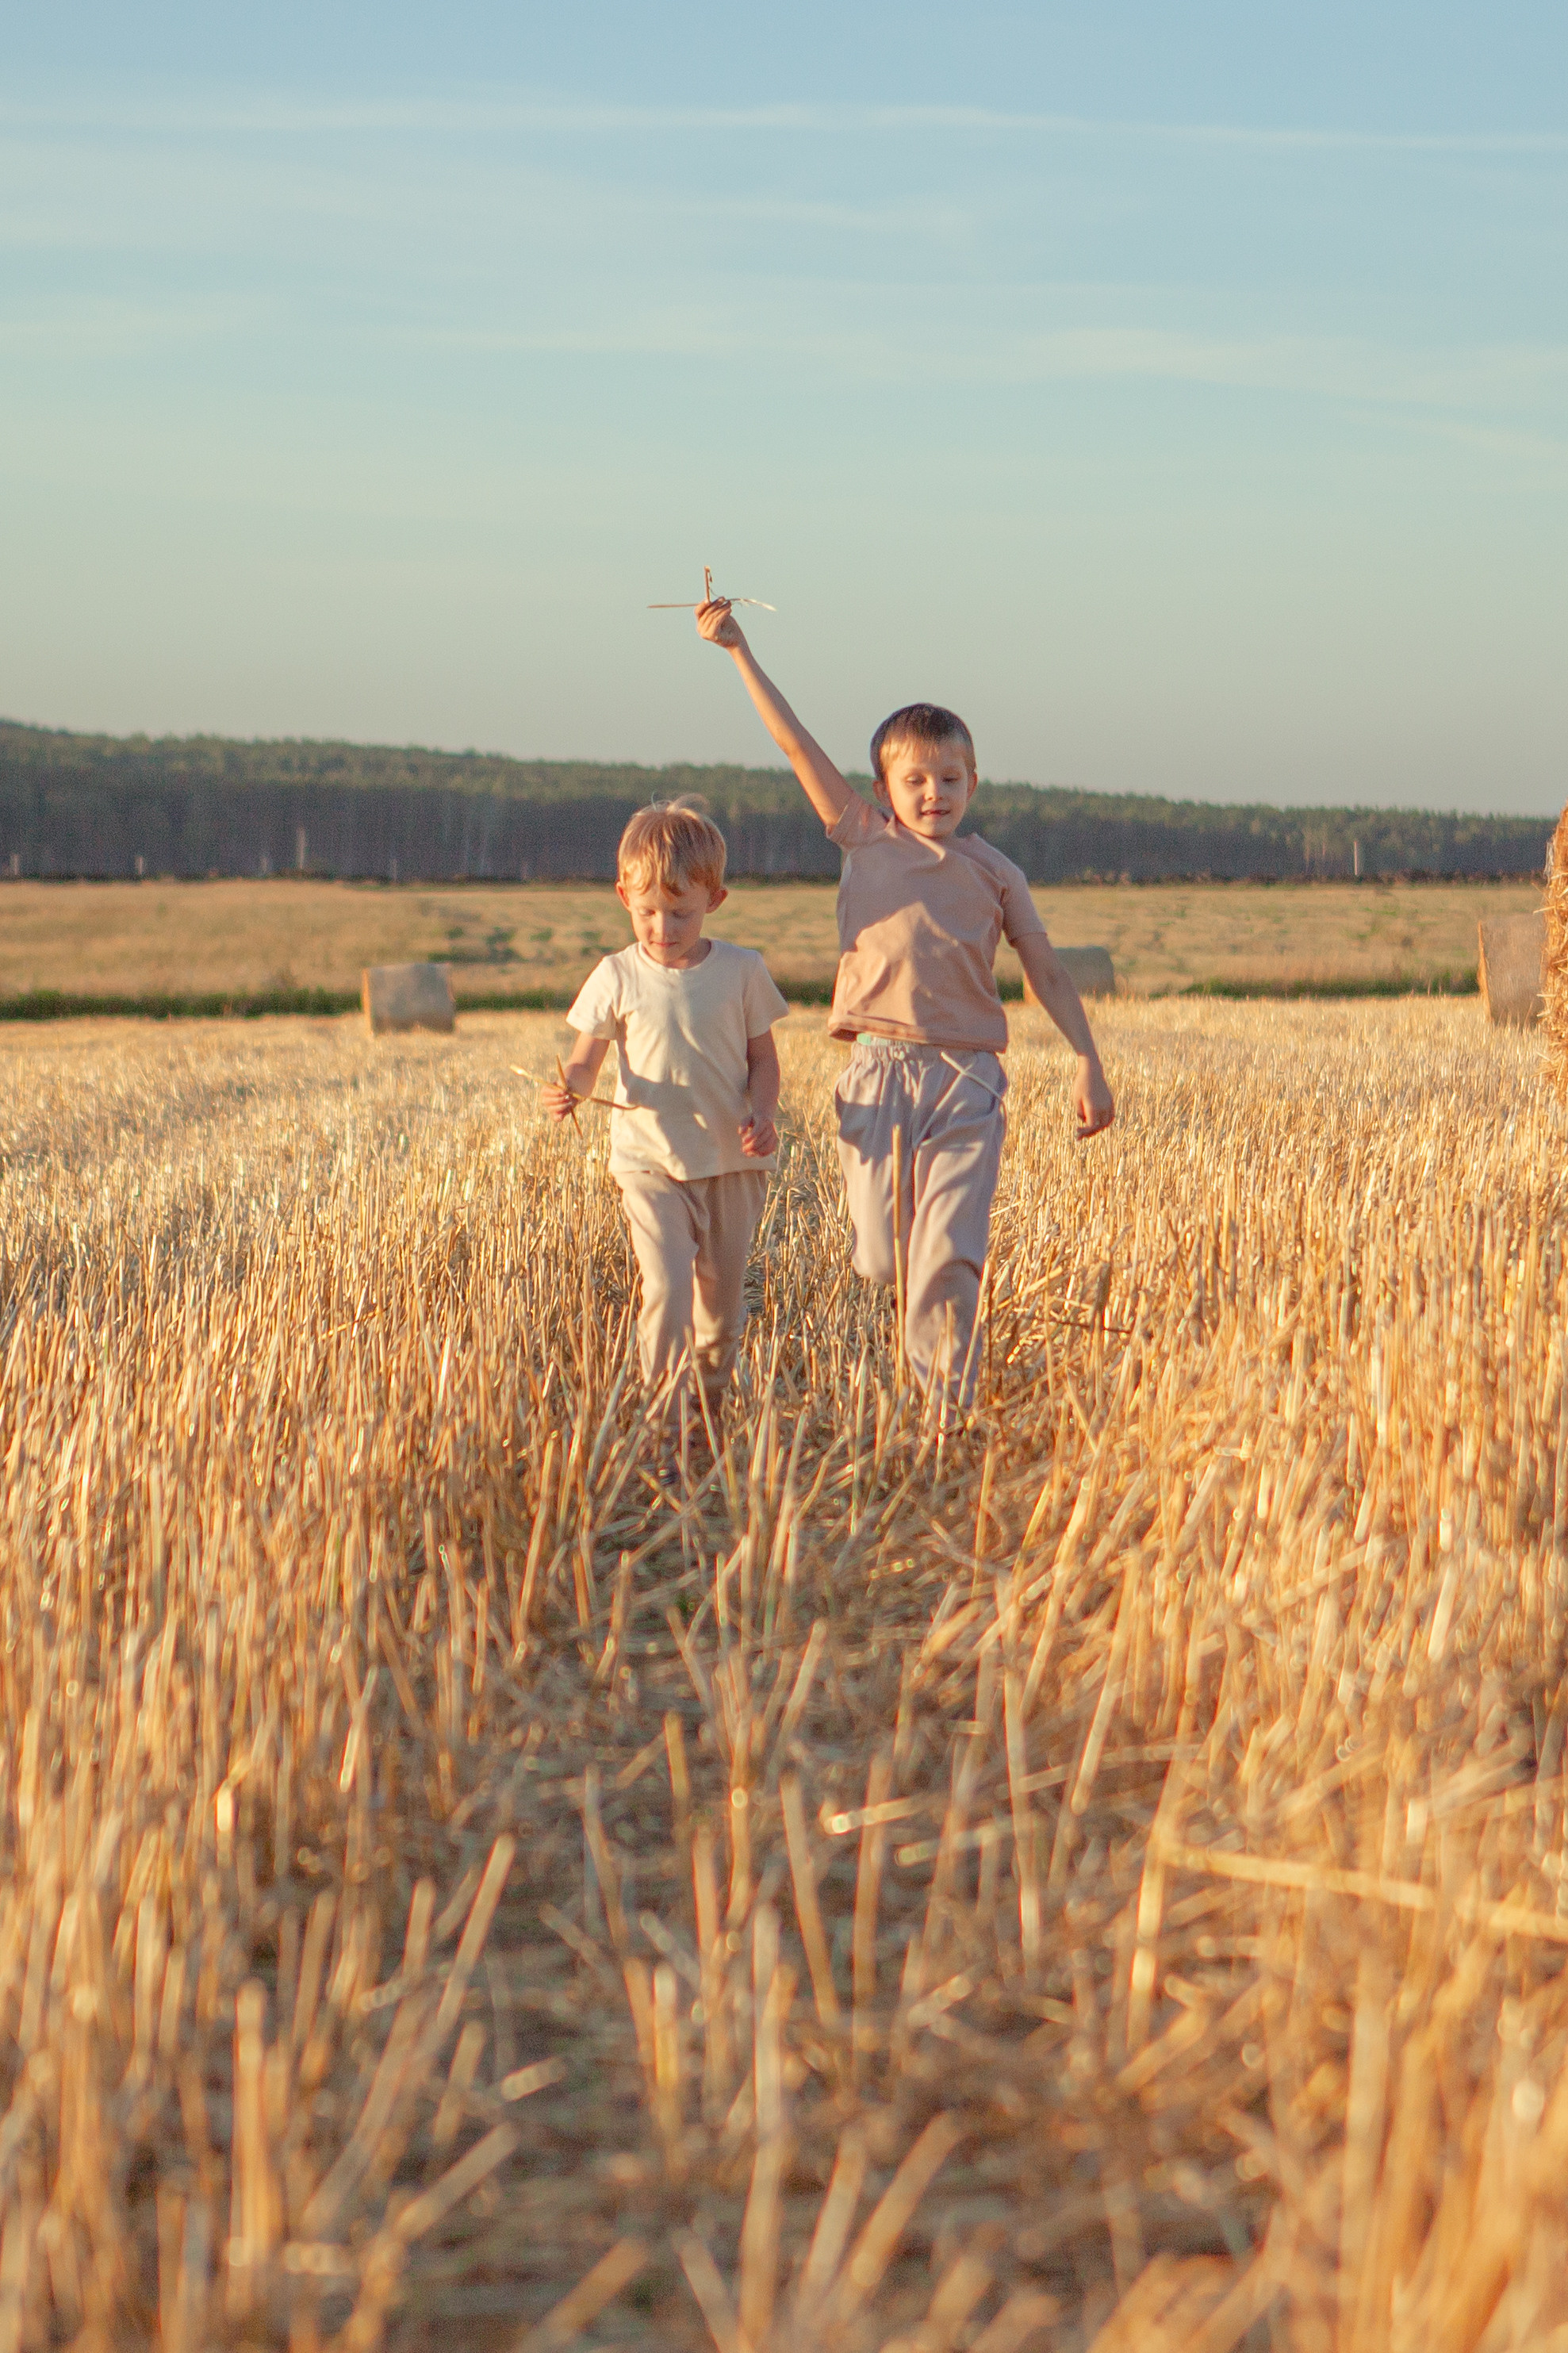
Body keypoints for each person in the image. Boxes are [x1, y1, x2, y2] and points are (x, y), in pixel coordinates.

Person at [695, 599, 1114, 1400]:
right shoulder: (863, 838)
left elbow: (1048, 973)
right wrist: (740, 650)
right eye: (915, 779)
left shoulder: (997, 871)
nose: (934, 793)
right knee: (886, 1257)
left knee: (951, 1252)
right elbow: (791, 743)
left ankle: (944, 1412)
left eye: (951, 778)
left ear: (974, 783)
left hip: (969, 1081)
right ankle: (913, 1346)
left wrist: (1088, 1061)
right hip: (877, 1075)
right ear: (884, 788)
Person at [541, 799, 788, 1426]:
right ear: (623, 894)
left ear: (715, 899)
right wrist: (567, 1088)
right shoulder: (614, 976)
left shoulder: (742, 971)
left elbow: (765, 1061)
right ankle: (663, 1424)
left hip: (731, 1162)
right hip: (647, 1161)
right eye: (647, 911)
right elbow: (584, 1062)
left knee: (720, 1318)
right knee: (668, 1290)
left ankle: (706, 1412)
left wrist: (763, 1112)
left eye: (680, 912)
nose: (662, 927)